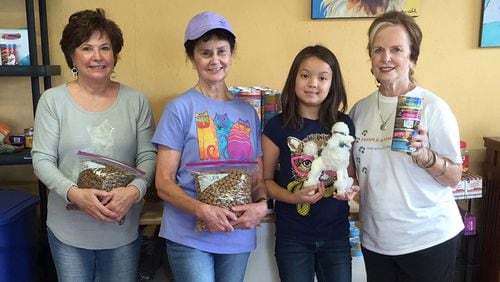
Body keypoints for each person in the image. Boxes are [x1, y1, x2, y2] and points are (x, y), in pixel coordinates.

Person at [31, 8, 157, 282]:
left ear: (115, 55)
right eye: (87, 48)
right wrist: (74, 193)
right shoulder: (53, 101)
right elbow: (41, 159)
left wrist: (134, 191)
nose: (97, 56)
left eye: (105, 48)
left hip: (121, 226)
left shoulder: (136, 101)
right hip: (69, 230)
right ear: (72, 55)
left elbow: (148, 154)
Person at [152, 11, 268, 282]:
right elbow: (163, 183)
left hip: (236, 235)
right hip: (189, 233)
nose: (215, 60)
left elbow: (257, 179)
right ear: (193, 58)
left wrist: (261, 205)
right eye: (205, 53)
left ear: (231, 55)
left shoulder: (247, 112)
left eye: (221, 52)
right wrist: (200, 210)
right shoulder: (179, 109)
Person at [349, 11, 464, 282]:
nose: (386, 58)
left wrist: (425, 157)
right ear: (371, 58)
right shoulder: (359, 110)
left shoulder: (432, 107)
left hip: (428, 240)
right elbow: (355, 175)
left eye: (396, 50)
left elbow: (454, 177)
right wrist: (347, 186)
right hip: (377, 241)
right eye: (378, 50)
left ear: (412, 58)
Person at [262, 45, 359, 282]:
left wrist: (350, 189)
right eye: (305, 75)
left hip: (336, 235)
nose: (312, 83)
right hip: (293, 237)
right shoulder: (276, 126)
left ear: (332, 84)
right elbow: (265, 182)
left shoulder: (344, 124)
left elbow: (350, 175)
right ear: (294, 78)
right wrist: (294, 197)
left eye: (322, 77)